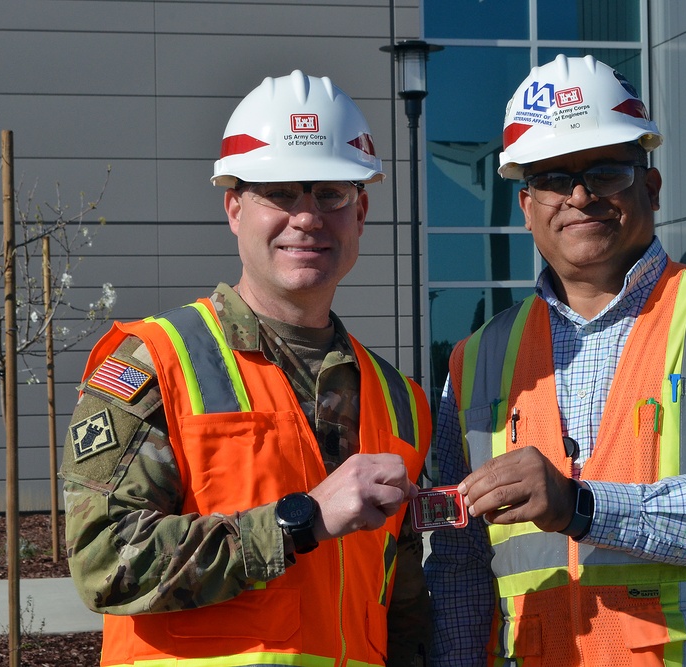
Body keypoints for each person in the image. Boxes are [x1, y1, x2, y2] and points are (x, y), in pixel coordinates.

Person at [425, 54, 686, 666]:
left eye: (605, 172)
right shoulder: (478, 361)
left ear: (649, 187)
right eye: (553, 177)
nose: (579, 195)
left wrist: (584, 506)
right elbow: (460, 568)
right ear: (527, 205)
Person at [61, 70, 432, 667]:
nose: (307, 217)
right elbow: (103, 561)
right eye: (279, 192)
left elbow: (404, 605)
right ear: (235, 207)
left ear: (360, 212)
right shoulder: (158, 360)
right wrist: (298, 524)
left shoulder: (402, 400)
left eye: (330, 193)